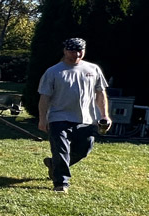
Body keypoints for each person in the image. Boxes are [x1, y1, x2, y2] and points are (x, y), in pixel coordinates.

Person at [36, 38, 110, 193]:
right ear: (65, 51)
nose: (76, 54)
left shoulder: (93, 69)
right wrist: (43, 119)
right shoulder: (54, 71)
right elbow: (44, 98)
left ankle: (54, 164)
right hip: (59, 118)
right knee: (61, 150)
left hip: (86, 119)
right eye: (72, 50)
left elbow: (100, 93)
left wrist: (105, 115)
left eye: (79, 50)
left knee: (85, 149)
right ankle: (61, 183)